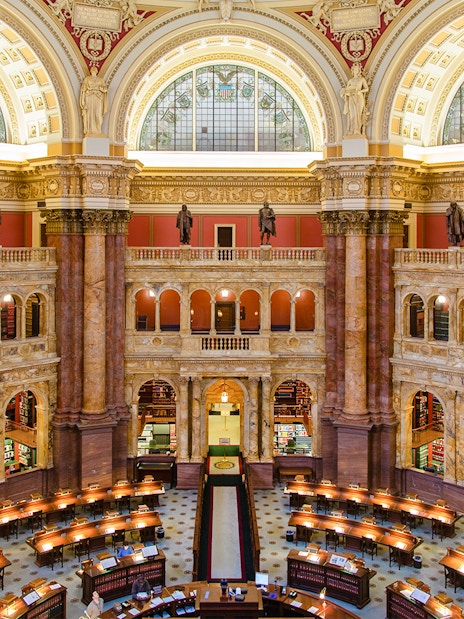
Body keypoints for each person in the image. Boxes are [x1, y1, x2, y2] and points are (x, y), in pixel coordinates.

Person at [340, 62, 369, 136]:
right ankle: (351, 130)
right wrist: (347, 94)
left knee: (358, 114)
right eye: (354, 69)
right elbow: (346, 90)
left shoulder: (362, 79)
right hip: (351, 98)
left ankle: (357, 130)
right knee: (352, 114)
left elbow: (366, 89)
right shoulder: (350, 81)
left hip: (359, 98)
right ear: (353, 70)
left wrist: (360, 91)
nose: (356, 71)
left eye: (357, 69)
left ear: (359, 70)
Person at [80, 67, 108, 136]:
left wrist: (99, 88)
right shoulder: (87, 79)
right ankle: (89, 130)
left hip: (98, 98)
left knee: (98, 114)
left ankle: (97, 129)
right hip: (89, 97)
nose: (93, 71)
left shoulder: (100, 80)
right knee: (89, 113)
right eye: (92, 70)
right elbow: (83, 89)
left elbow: (105, 89)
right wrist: (83, 101)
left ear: (97, 71)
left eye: (95, 70)